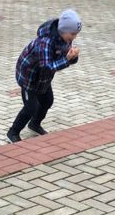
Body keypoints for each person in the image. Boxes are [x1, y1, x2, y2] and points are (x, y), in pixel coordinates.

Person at [7, 9, 81, 143]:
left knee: (47, 101)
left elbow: (63, 58)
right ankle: (13, 132)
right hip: (29, 77)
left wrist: (73, 57)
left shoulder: (65, 39)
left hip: (44, 78)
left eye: (76, 34)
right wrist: (67, 60)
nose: (74, 37)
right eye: (73, 34)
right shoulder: (45, 42)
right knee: (31, 107)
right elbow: (47, 66)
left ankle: (34, 124)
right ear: (63, 30)